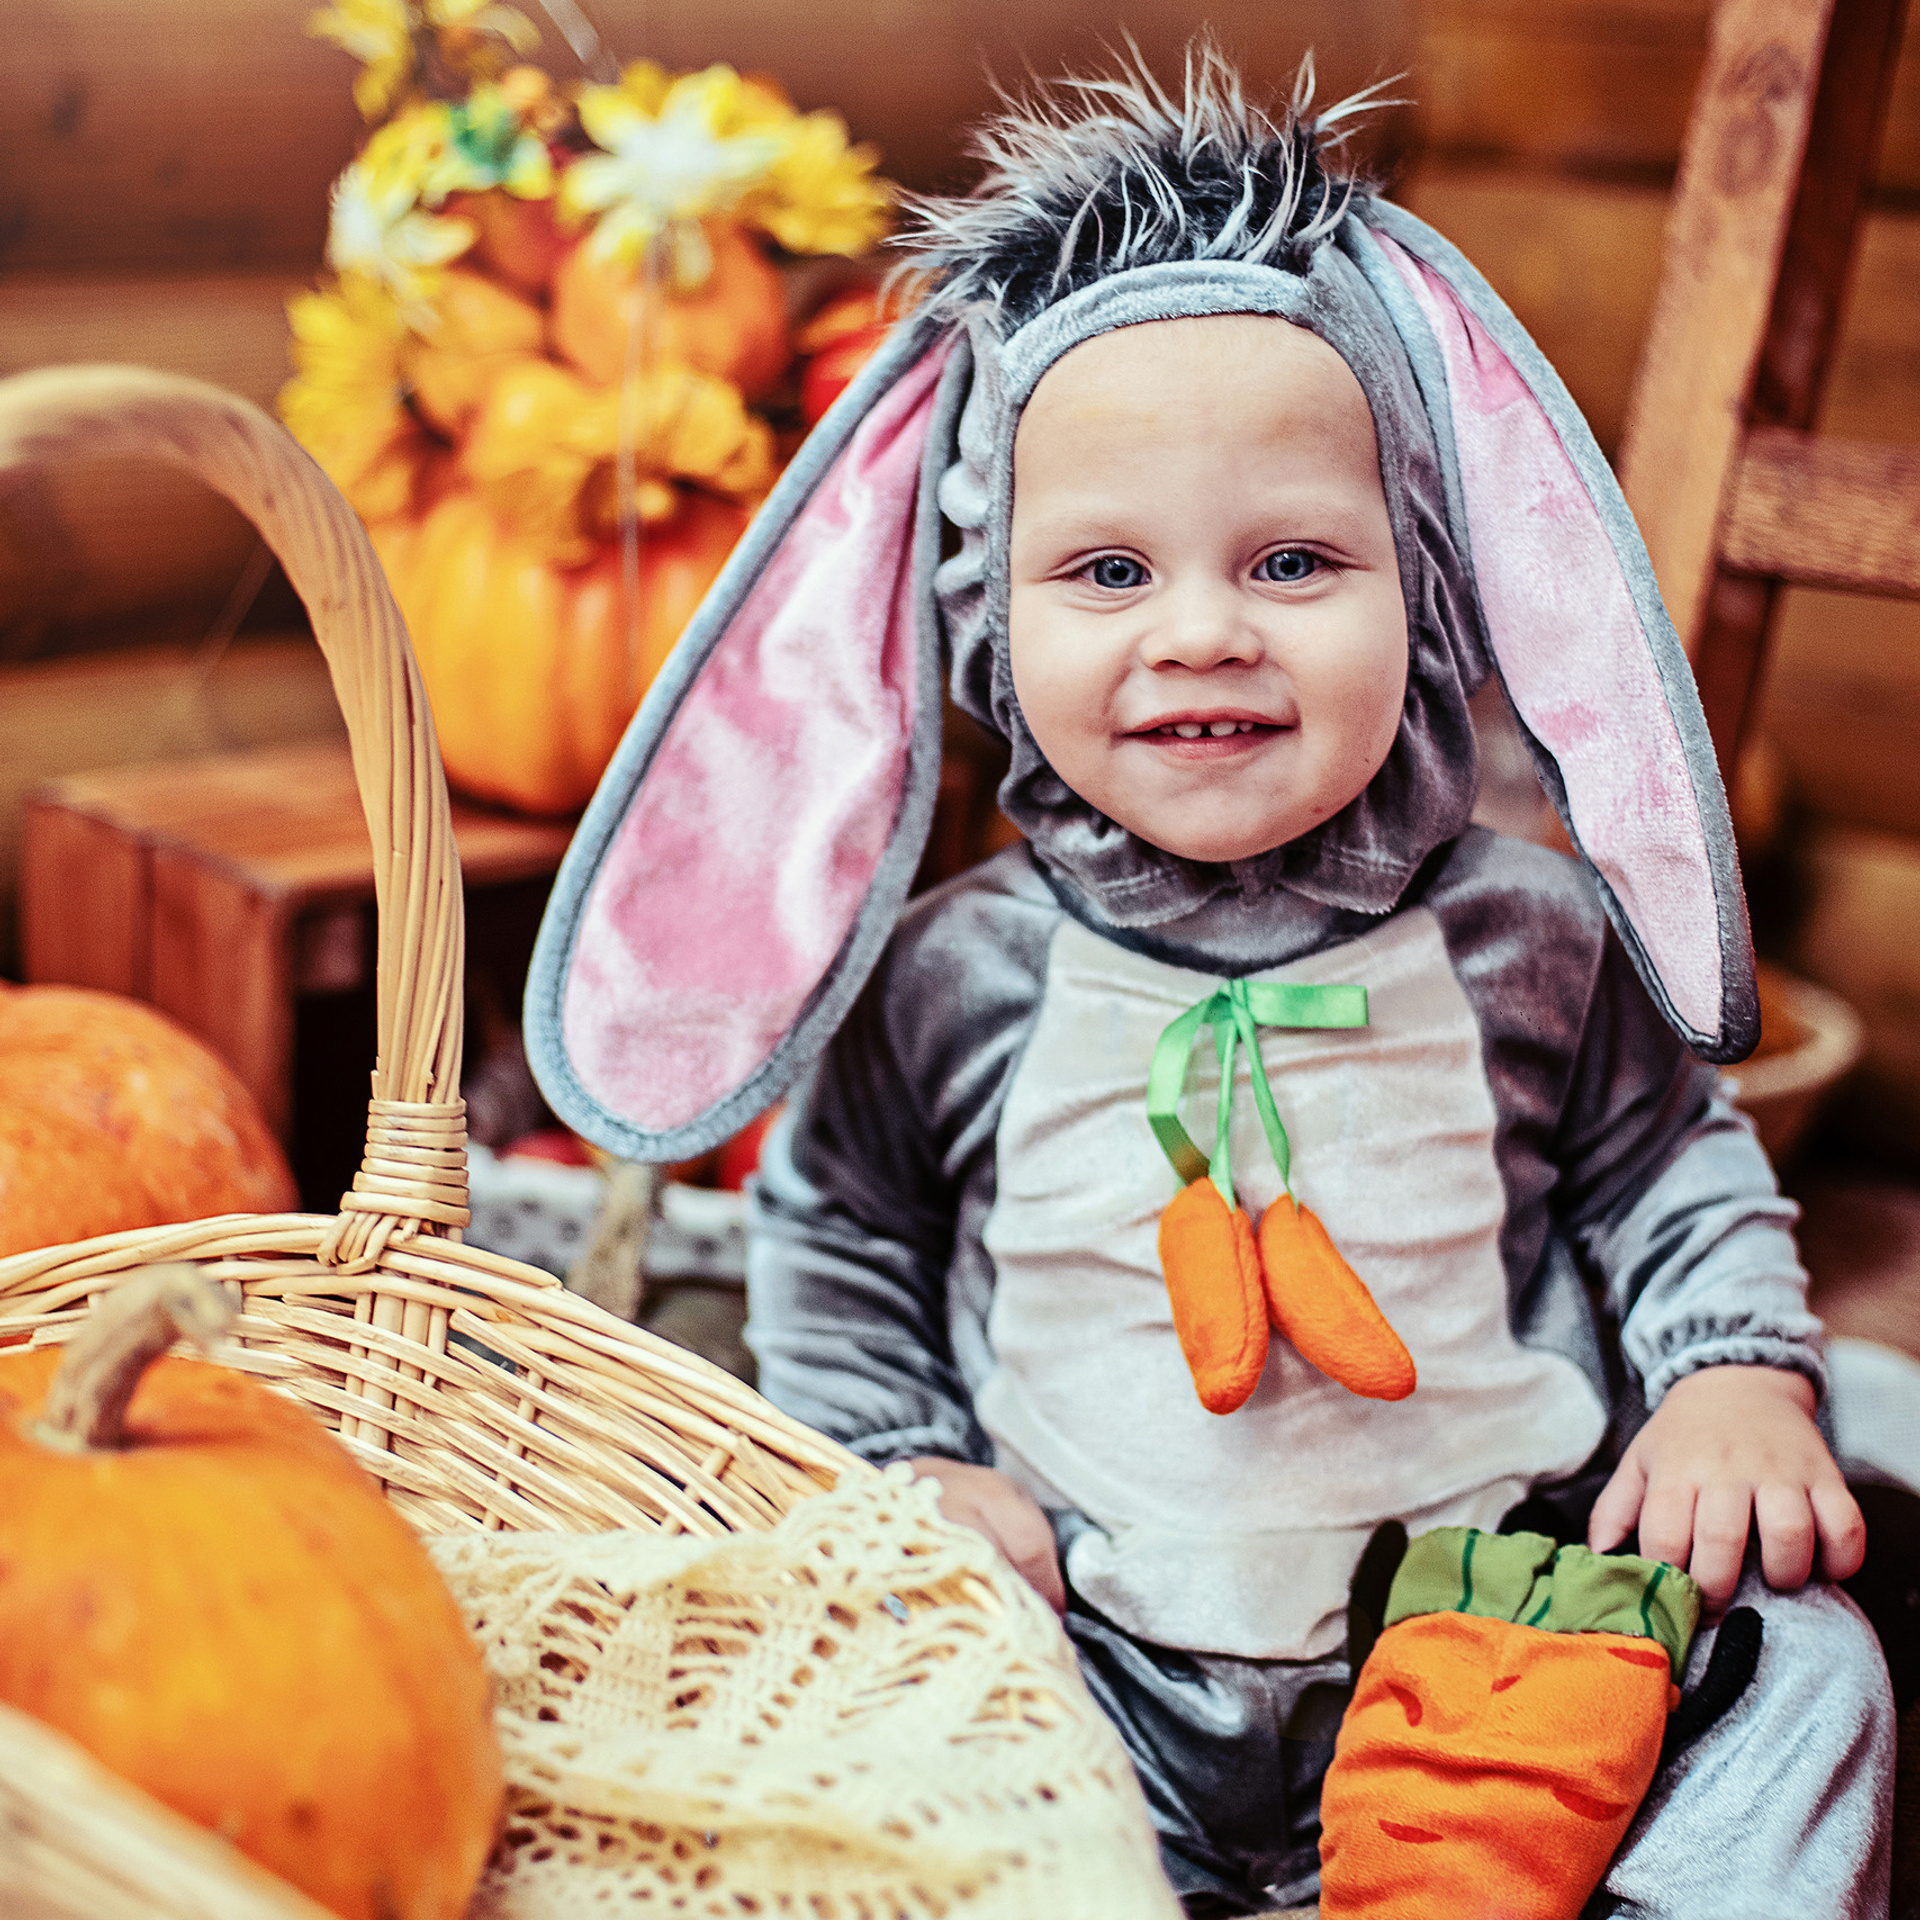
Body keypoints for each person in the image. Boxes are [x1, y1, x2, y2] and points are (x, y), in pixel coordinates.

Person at [527, 46, 1896, 1918]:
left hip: (1504, 1634)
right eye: (1104, 568)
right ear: (985, 618)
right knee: (838, 1704)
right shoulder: (956, 976)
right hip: (1087, 1665)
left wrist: (1734, 1377)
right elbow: (839, 1238)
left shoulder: (1532, 937)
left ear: (1428, 585)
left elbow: (1671, 1176)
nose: (1202, 633)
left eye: (1293, 559)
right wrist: (904, 1467)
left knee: (1813, 1666)